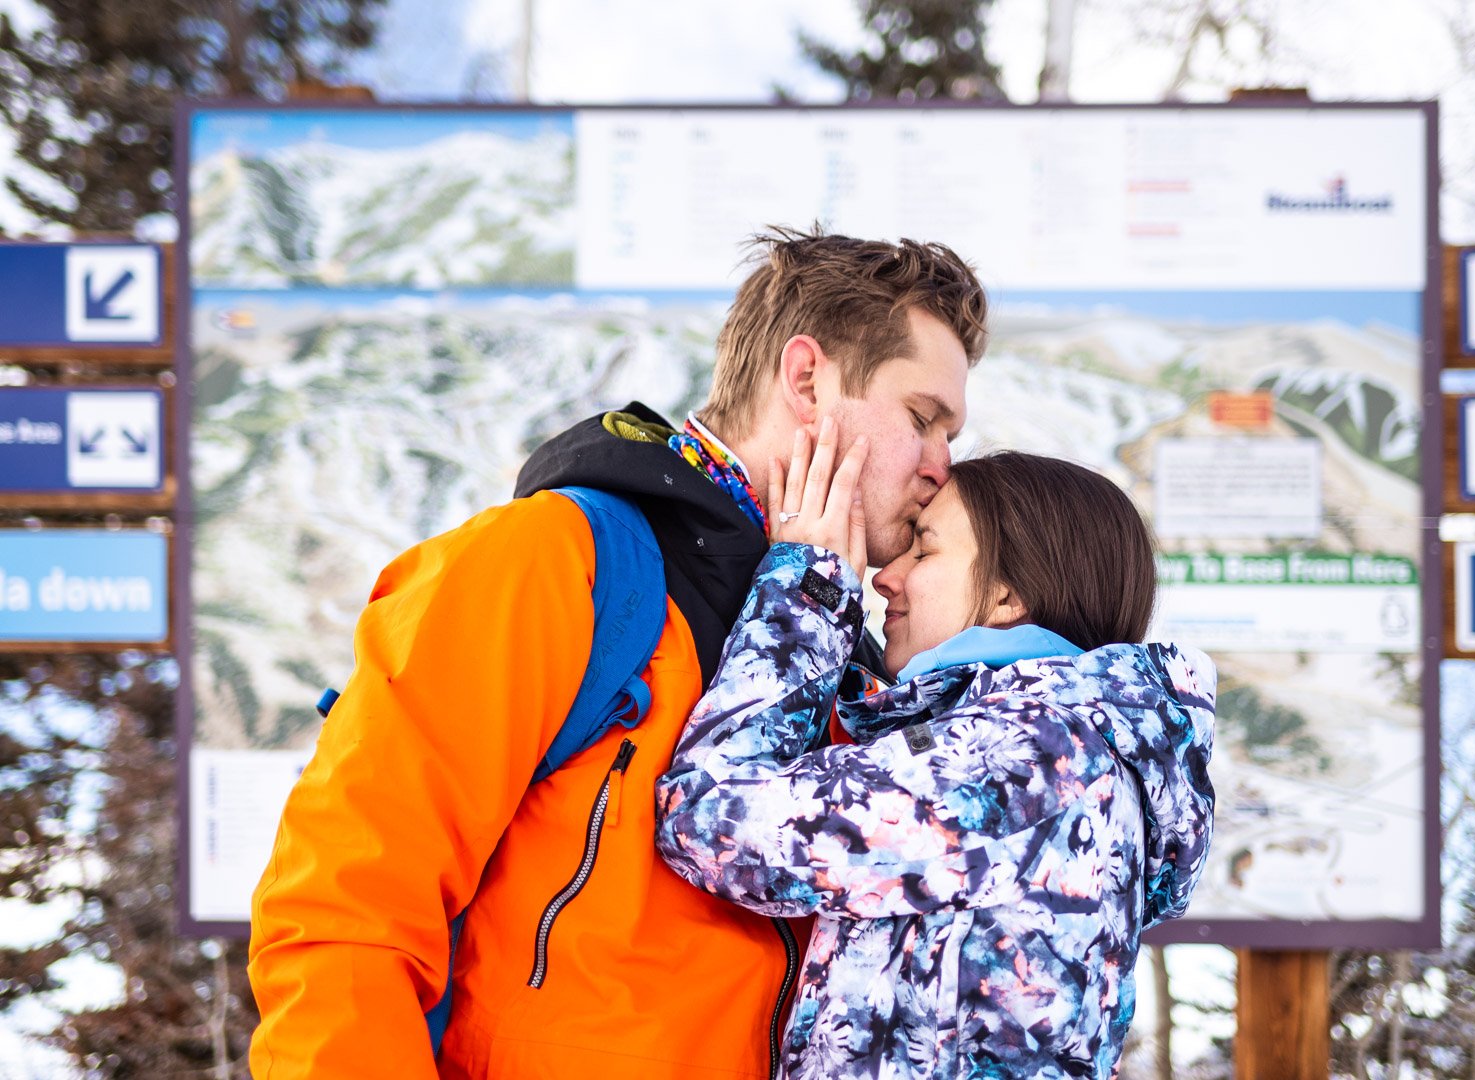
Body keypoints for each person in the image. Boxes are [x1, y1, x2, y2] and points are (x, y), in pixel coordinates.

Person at [246, 227, 988, 1080]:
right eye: (922, 420)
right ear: (807, 379)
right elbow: (346, 912)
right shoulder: (557, 561)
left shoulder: (848, 665)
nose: (941, 466)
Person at [654, 440, 1217, 1080]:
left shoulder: (1026, 757)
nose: (884, 575)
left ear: (1006, 597)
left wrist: (807, 588)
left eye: (924, 549)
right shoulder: (1079, 745)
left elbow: (709, 822)